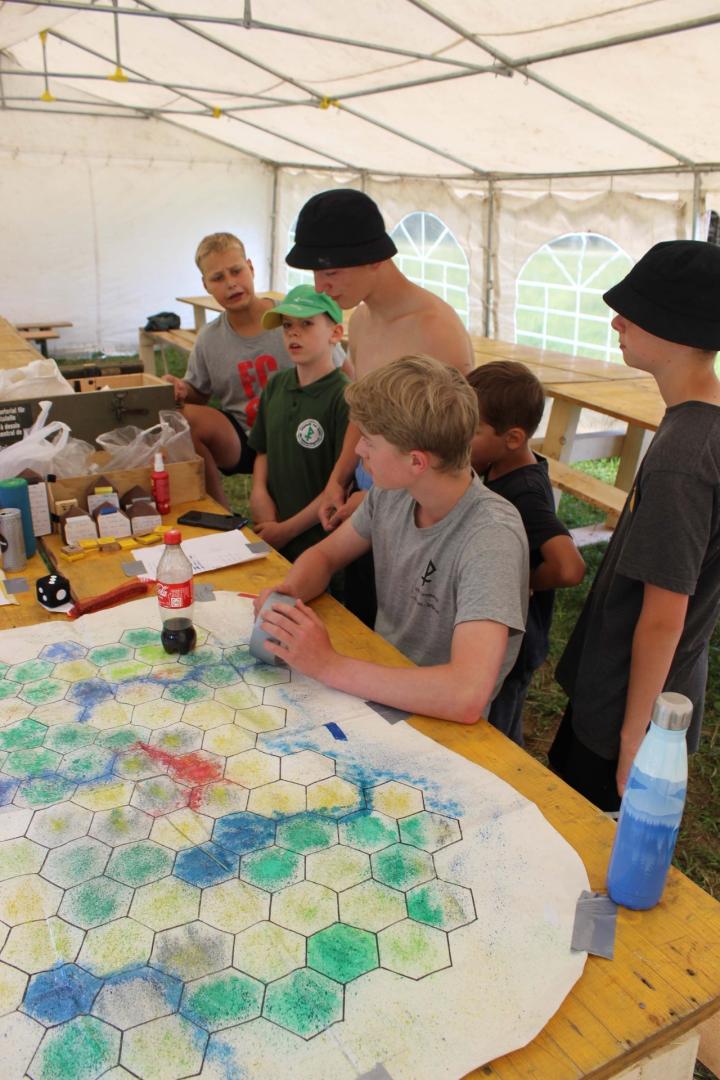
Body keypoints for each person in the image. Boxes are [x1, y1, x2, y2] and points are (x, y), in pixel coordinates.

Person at [254, 355, 529, 725]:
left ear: (416, 461)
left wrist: (327, 664)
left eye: (369, 441)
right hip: (377, 683)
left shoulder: (491, 538)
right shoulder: (393, 493)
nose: (358, 451)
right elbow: (325, 557)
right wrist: (288, 596)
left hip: (439, 724)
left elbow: (466, 694)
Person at [549, 239, 720, 812]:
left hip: (628, 705)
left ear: (680, 329)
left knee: (588, 834)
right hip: (642, 694)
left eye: (634, 312)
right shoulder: (698, 425)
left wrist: (632, 740)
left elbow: (665, 615)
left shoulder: (685, 456)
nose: (616, 322)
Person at [286, 189, 475, 534]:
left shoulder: (435, 329)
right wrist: (337, 481)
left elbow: (455, 451)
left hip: (421, 510)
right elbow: (363, 413)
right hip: (370, 487)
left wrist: (383, 501)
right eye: (315, 272)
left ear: (375, 258)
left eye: (332, 272)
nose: (320, 287)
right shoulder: (361, 320)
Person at [164, 232, 343, 507]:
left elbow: (343, 372)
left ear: (251, 267)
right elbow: (197, 393)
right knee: (182, 418)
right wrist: (180, 389)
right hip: (245, 439)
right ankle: (220, 513)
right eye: (218, 278)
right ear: (205, 285)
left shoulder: (295, 317)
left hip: (305, 430)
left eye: (236, 271)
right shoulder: (209, 338)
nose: (231, 283)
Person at [468, 361, 585, 746]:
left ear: (513, 438)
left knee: (496, 736)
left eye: (472, 429)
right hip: (503, 638)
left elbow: (569, 568)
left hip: (515, 645)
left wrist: (522, 580)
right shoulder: (500, 465)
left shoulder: (525, 493)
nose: (461, 434)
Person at [248, 285, 349, 562]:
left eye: (306, 323)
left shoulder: (344, 396)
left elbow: (341, 484)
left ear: (335, 333)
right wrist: (259, 491)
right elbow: (263, 449)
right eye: (287, 325)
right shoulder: (276, 385)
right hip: (272, 527)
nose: (294, 333)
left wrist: (287, 530)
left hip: (321, 543)